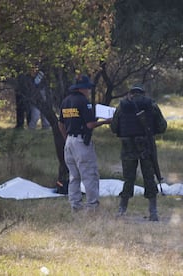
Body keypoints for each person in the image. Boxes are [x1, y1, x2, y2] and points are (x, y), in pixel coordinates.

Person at [110, 84, 167, 221]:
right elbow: (162, 126)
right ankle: (153, 212)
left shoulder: (122, 105)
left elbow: (114, 127)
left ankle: (122, 210)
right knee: (149, 177)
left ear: (131, 93)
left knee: (128, 178)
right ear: (143, 92)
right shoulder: (151, 104)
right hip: (146, 146)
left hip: (128, 147)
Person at [58, 75, 111, 212]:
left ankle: (75, 206)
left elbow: (60, 123)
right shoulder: (83, 102)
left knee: (74, 176)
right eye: (87, 87)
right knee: (89, 175)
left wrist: (66, 139)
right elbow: (90, 124)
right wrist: (106, 122)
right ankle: (92, 207)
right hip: (81, 142)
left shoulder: (66, 101)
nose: (88, 90)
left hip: (69, 141)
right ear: (82, 88)